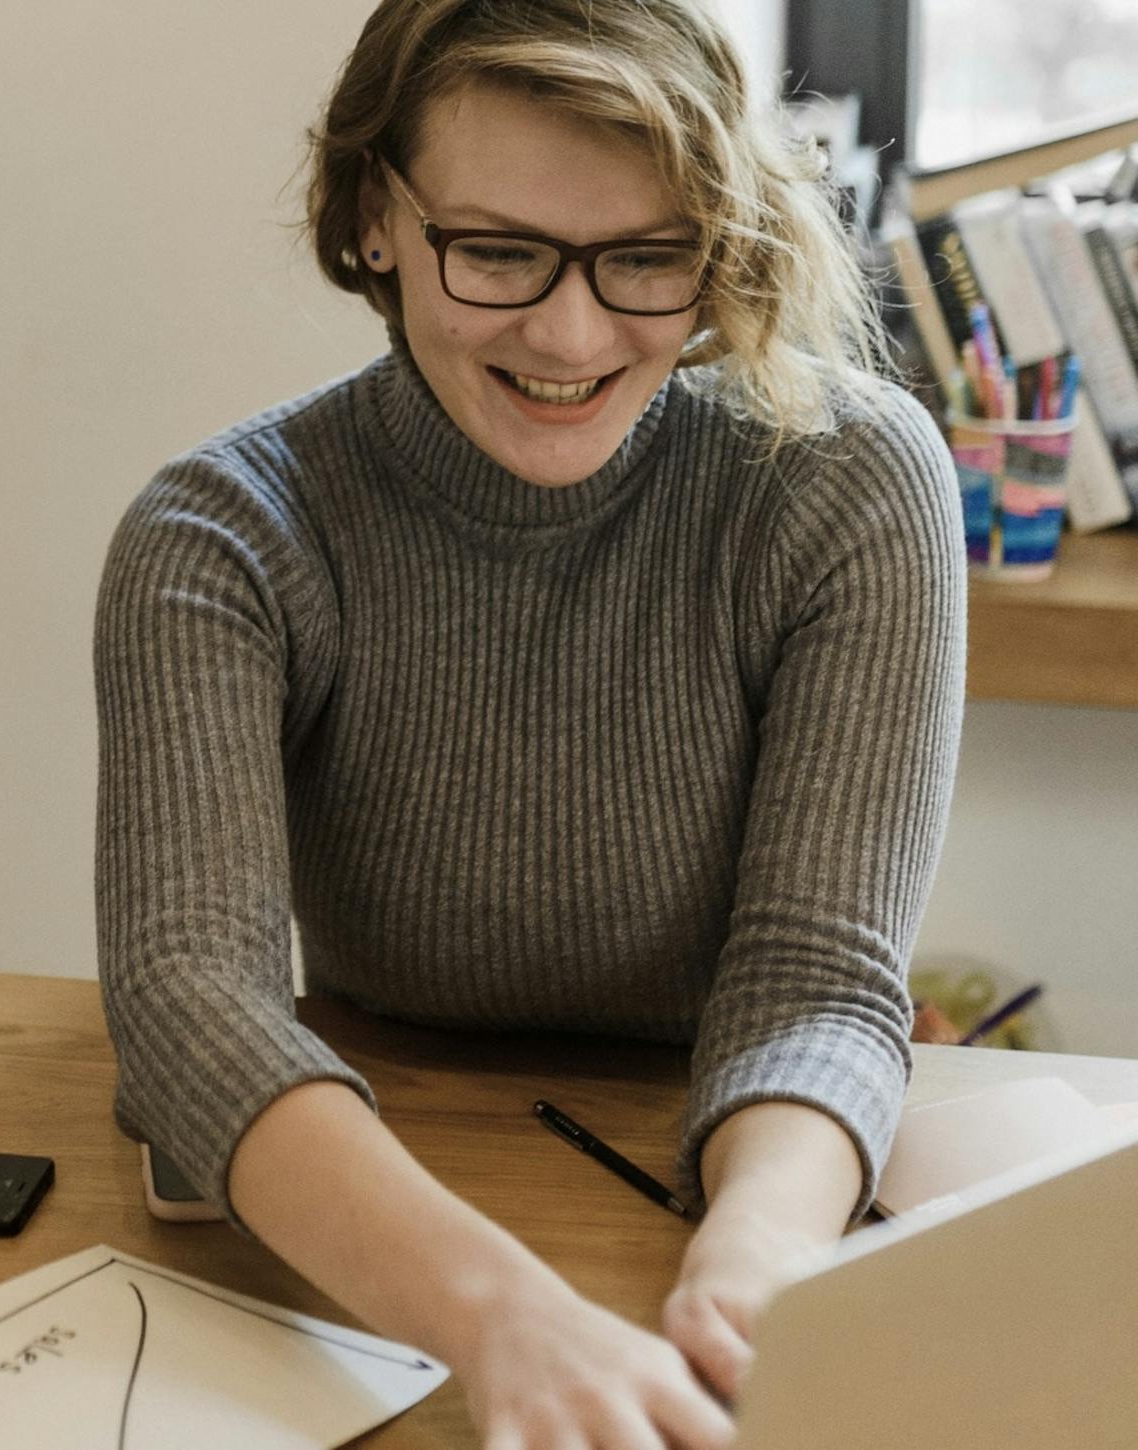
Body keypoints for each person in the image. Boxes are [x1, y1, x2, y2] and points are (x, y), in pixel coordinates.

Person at [94, 2, 964, 1446]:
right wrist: (505, 1316)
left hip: (704, 1164)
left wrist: (759, 1261)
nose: (571, 334)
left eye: (646, 257)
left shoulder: (849, 483)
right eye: (496, 252)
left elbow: (819, 981)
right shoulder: (222, 534)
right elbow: (193, 1008)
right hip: (391, 1200)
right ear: (377, 219)